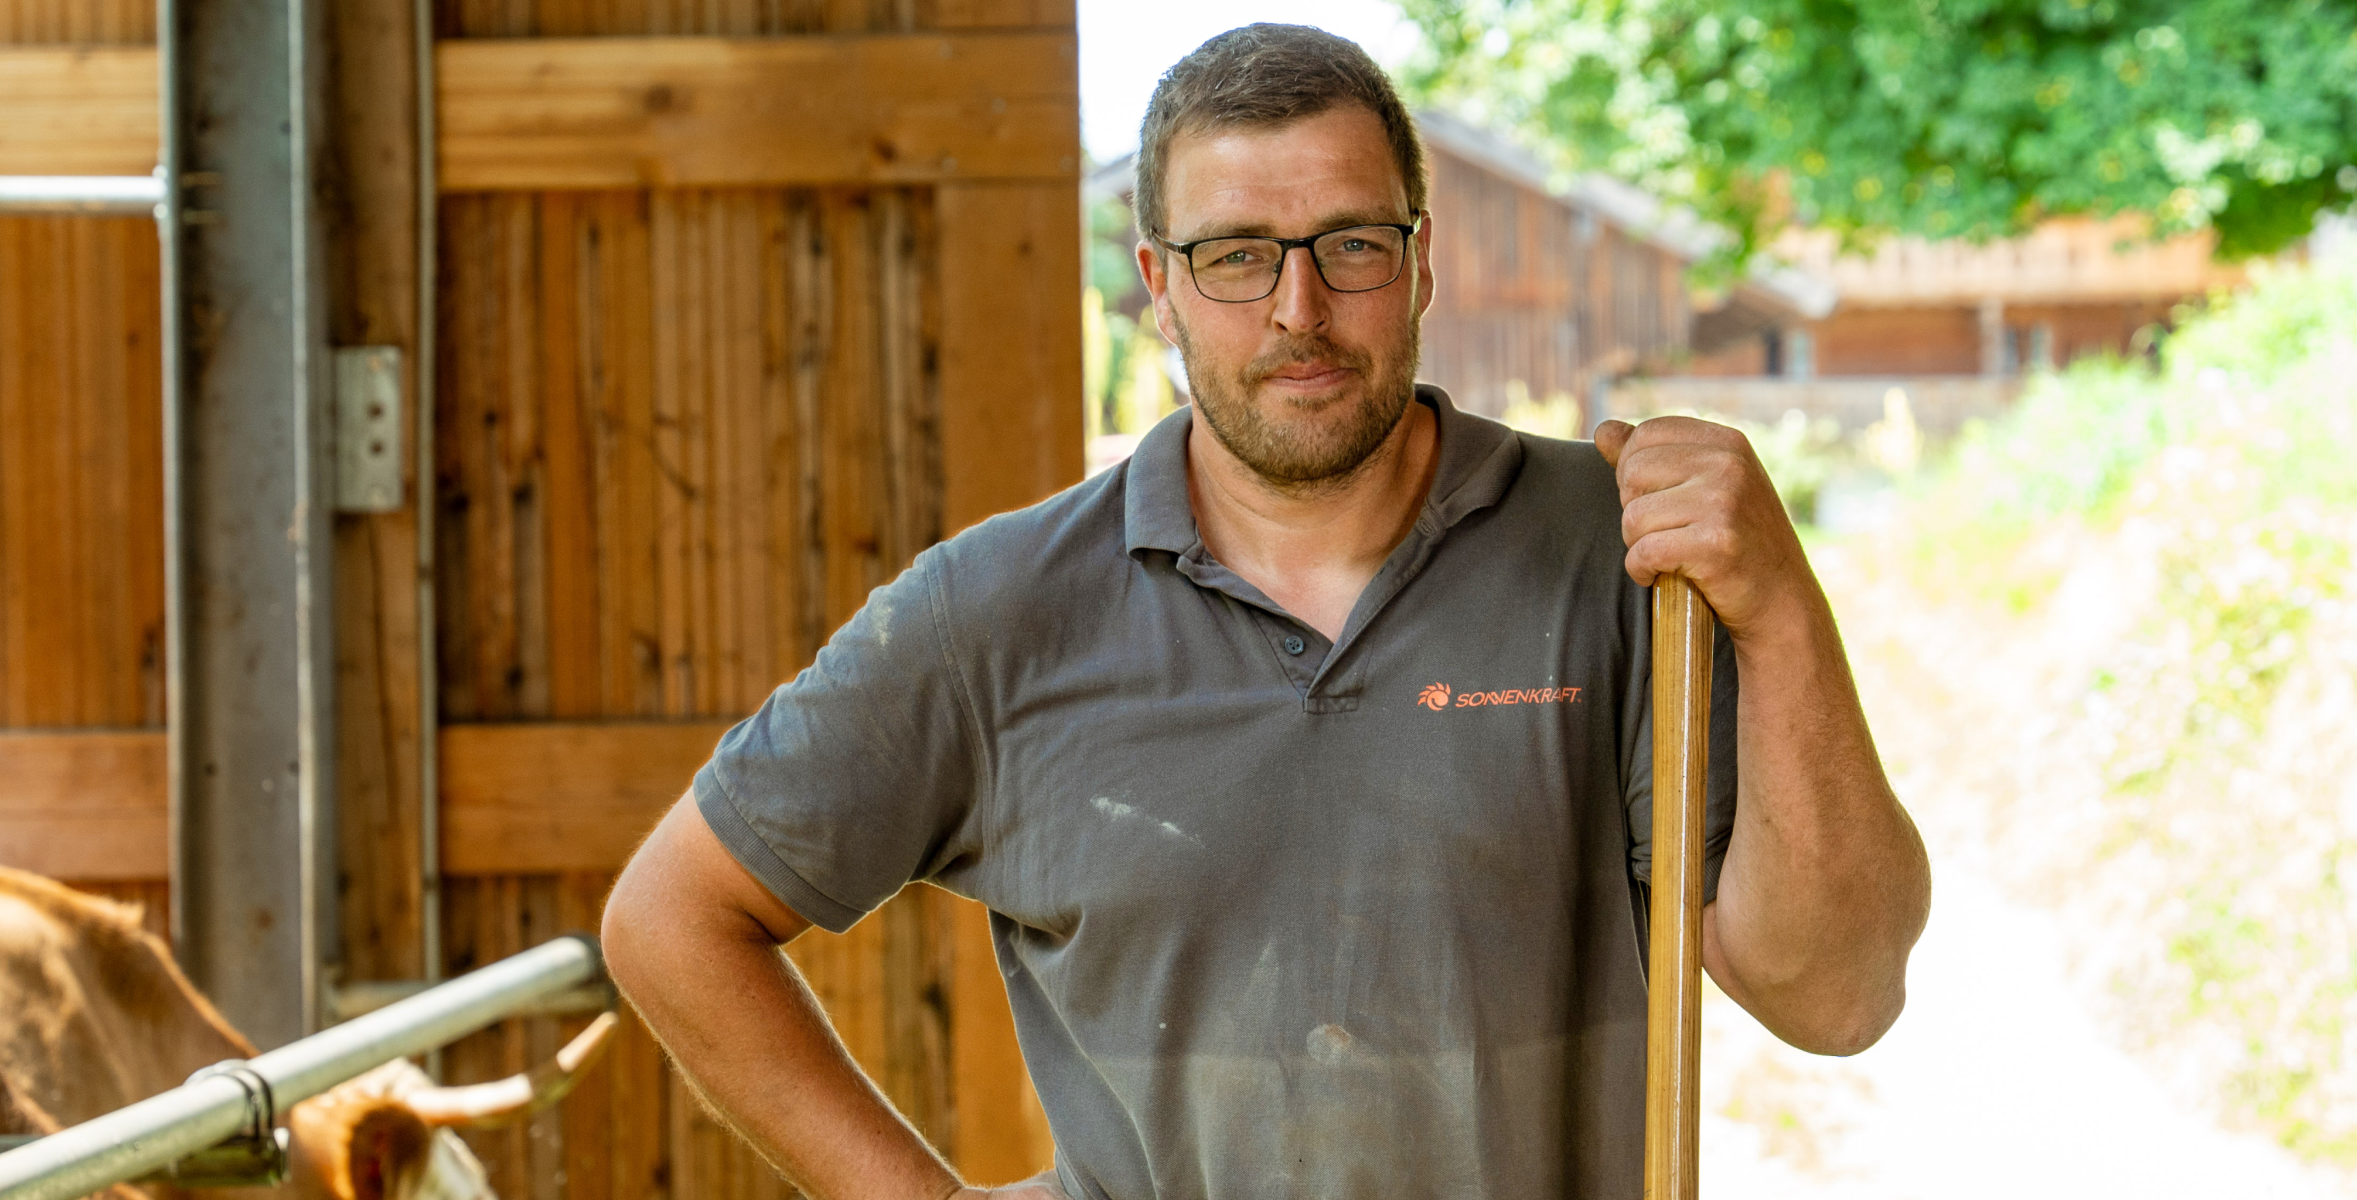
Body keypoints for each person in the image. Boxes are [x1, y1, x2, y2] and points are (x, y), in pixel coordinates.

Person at [601, 23, 1930, 1200]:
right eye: (1237, 256)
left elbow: (1836, 997)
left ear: (1419, 266)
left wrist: (1782, 611)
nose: (1300, 311)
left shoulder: (1615, 556)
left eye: (1350, 244)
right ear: (1157, 283)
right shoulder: (995, 614)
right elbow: (672, 919)